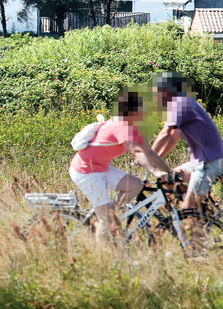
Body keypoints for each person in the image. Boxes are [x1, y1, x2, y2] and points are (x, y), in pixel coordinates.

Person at [69, 90, 171, 242]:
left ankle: (110, 212)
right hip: (85, 170)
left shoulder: (132, 126)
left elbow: (149, 153)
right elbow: (136, 152)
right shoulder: (120, 125)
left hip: (100, 167)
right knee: (106, 218)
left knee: (135, 185)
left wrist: (169, 171)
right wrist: (155, 172)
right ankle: (104, 253)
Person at [150, 72, 223, 212]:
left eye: (156, 90)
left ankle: (194, 215)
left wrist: (148, 154)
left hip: (209, 163)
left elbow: (166, 132)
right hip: (202, 162)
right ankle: (202, 210)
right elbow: (174, 137)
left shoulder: (179, 103)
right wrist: (156, 159)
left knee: (188, 209)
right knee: (167, 179)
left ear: (165, 90)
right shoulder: (182, 102)